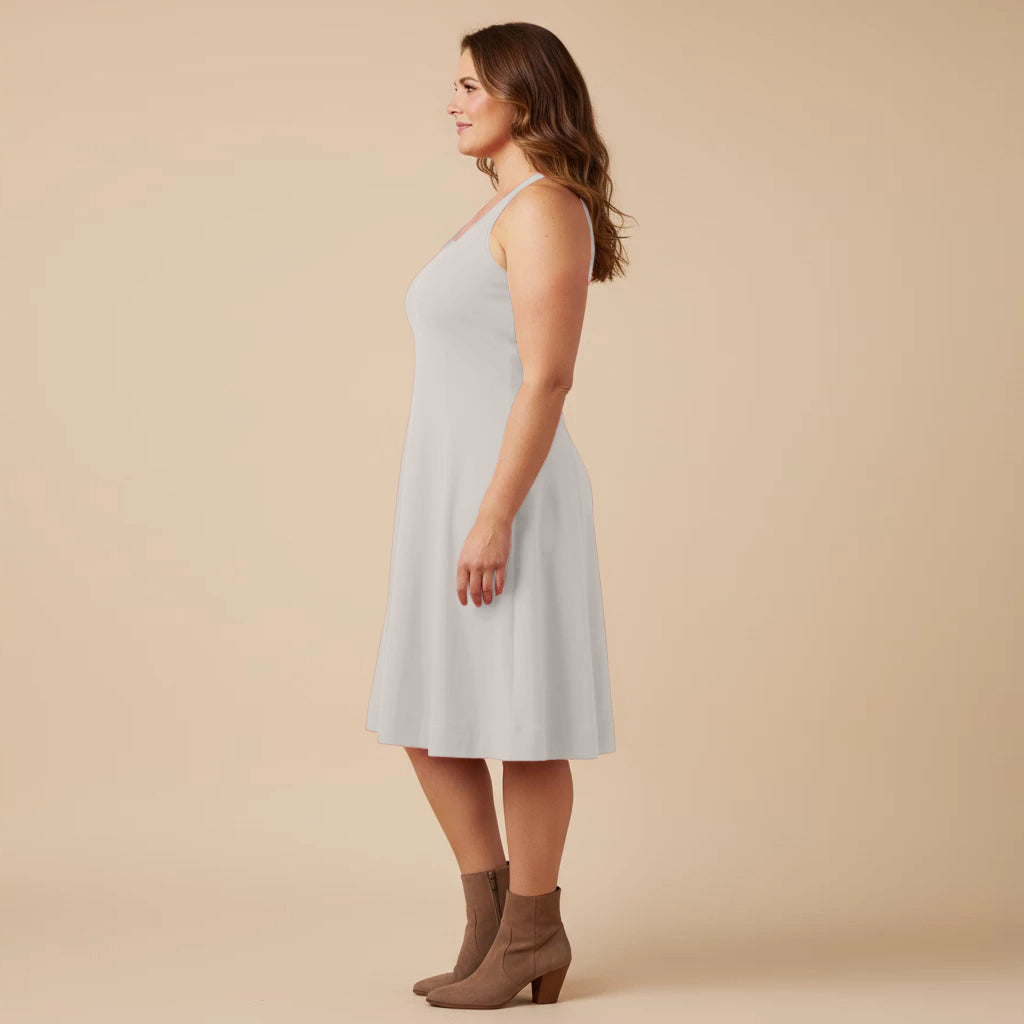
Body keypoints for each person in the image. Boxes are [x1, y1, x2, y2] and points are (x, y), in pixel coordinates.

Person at [365, 21, 632, 1009]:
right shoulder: (500, 209)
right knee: (428, 712)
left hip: (509, 498)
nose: (454, 101)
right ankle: (491, 925)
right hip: (451, 497)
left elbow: (548, 377)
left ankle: (531, 929)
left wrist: (495, 514)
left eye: (471, 85)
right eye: (456, 84)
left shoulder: (548, 207)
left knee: (522, 719)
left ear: (524, 94)